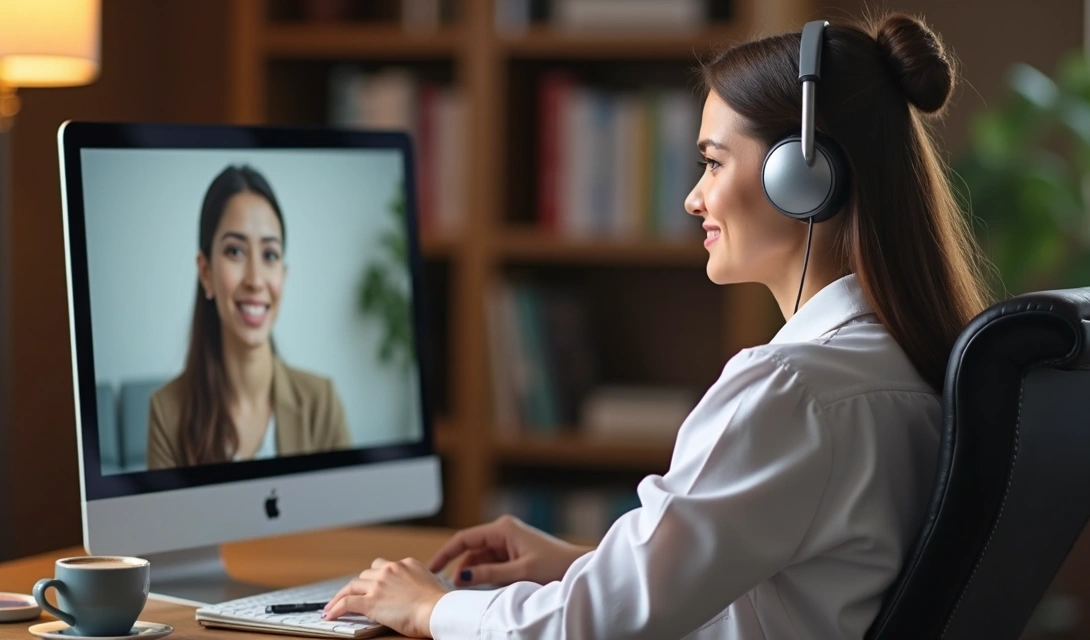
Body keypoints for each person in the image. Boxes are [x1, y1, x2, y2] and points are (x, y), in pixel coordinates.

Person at [323, 11, 991, 639]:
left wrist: (432, 606)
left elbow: (590, 627)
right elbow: (790, 579)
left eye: (714, 162)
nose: (693, 198)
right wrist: (579, 565)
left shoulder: (792, 391)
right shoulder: (902, 363)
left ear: (803, 175)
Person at [147, 165, 351, 470]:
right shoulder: (167, 414)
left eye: (270, 255)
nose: (255, 280)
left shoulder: (322, 404)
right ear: (206, 272)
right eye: (235, 252)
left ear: (283, 275)